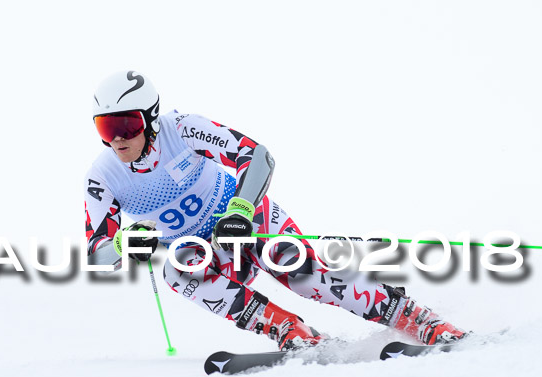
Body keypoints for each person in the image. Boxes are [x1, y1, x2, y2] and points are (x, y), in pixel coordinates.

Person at [84, 70, 467, 350]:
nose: (118, 139)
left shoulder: (182, 129)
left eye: (127, 124)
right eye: (106, 128)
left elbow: (257, 156)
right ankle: (291, 331)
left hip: (245, 223)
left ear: (150, 119)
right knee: (178, 268)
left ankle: (414, 317)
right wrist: (121, 245)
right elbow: (96, 254)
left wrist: (239, 210)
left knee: (300, 274)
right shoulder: (103, 176)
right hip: (207, 253)